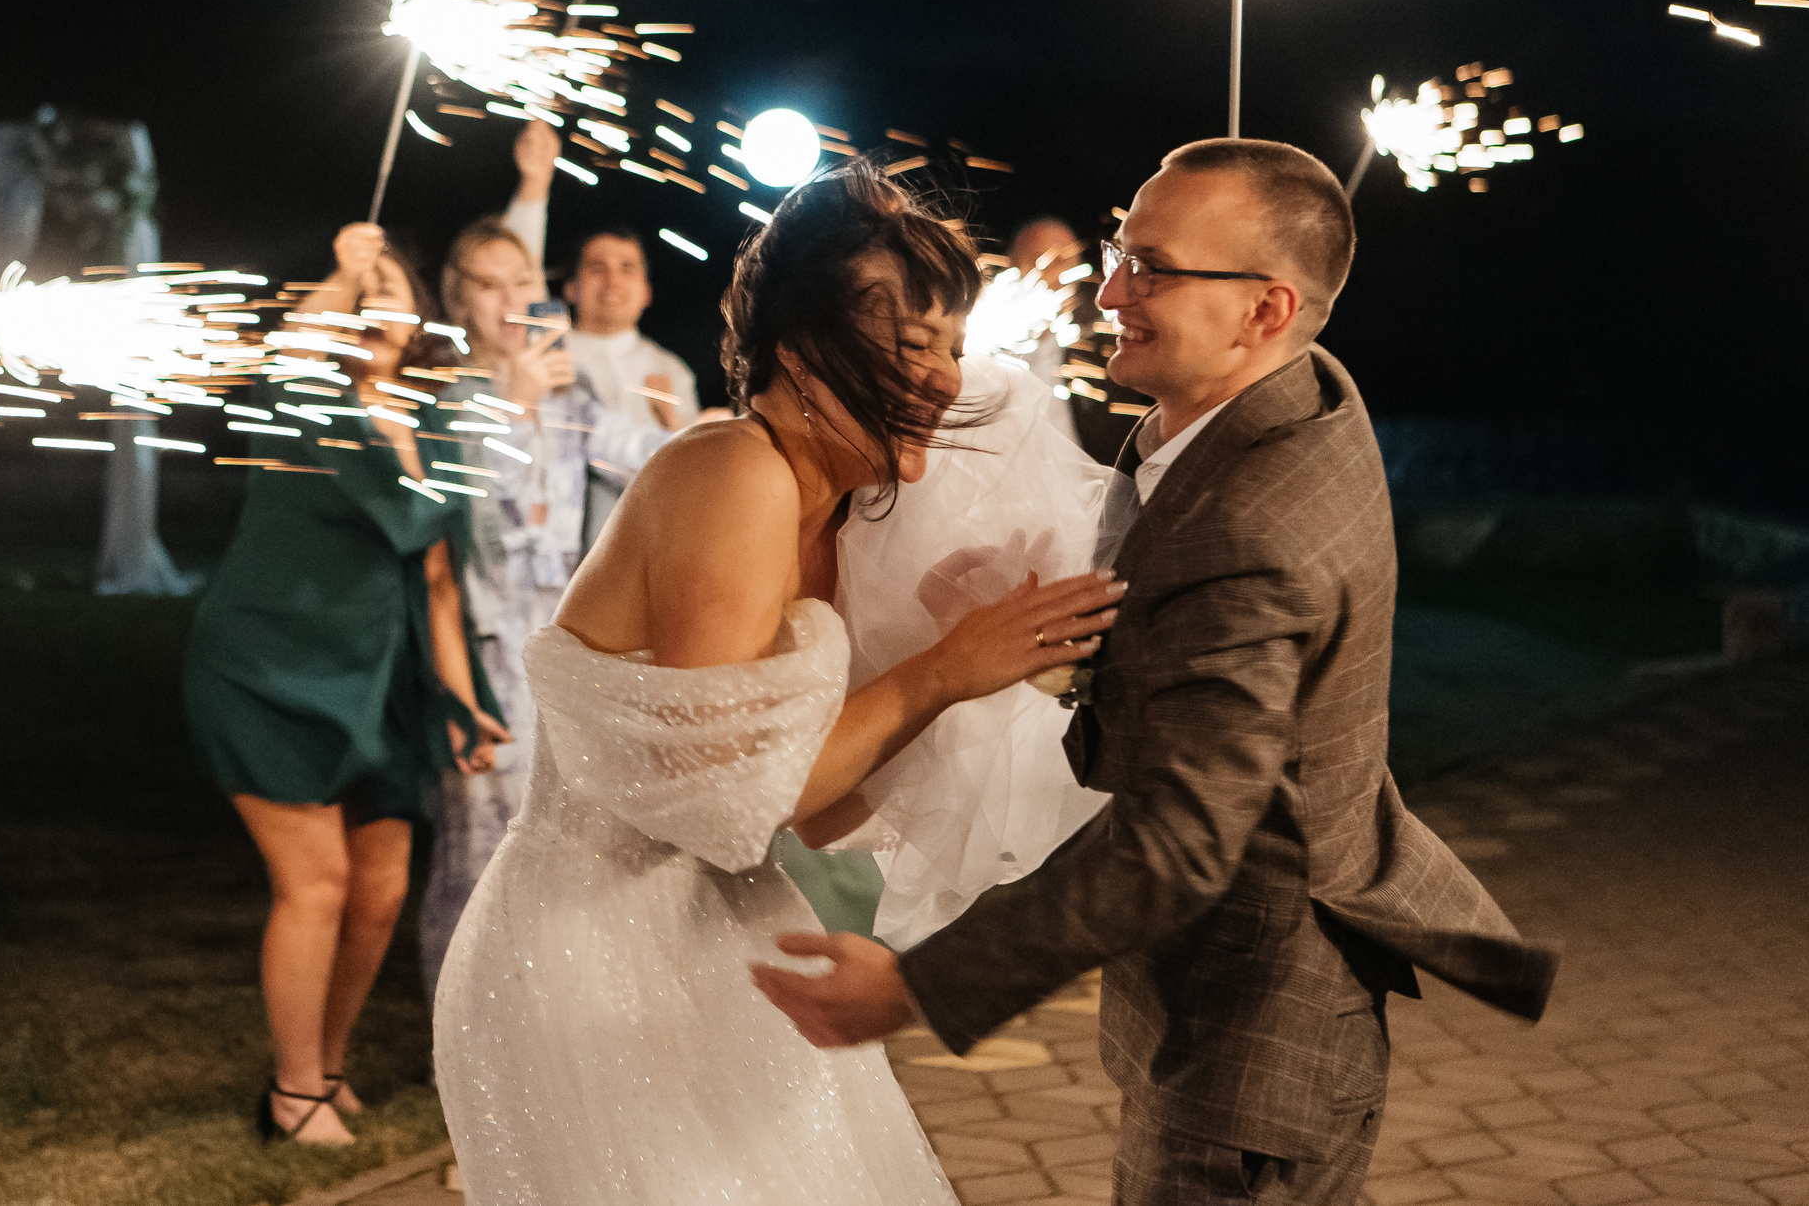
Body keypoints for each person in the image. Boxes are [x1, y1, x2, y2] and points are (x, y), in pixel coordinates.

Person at [756, 140, 1559, 1206]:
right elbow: (1211, 672)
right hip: (1228, 1006)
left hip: (1246, 1044)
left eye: (1154, 267)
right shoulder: (1277, 400)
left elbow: (1180, 838)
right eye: (1119, 248)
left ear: (1265, 309)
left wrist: (917, 981)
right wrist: (1061, 640)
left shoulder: (1252, 521)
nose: (1111, 288)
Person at [431, 163, 1125, 1205]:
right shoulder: (730, 471)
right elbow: (727, 803)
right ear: (801, 359)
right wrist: (939, 670)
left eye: (949, 347)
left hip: (728, 934)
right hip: (587, 955)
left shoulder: (842, 515)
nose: (944, 382)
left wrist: (958, 659)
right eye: (911, 349)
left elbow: (820, 808)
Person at [185, 221, 506, 1147]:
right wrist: (343, 265)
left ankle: (324, 1066)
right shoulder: (302, 401)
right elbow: (287, 348)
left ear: (419, 318)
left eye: (390, 294)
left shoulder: (440, 425)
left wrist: (465, 701)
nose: (373, 308)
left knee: (379, 891)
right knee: (317, 882)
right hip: (266, 665)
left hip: (379, 679)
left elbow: (438, 580)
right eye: (360, 299)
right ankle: (291, 1097)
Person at [415, 216, 671, 994]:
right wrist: (514, 410)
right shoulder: (447, 395)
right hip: (488, 651)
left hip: (566, 653)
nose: (509, 300)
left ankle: (541, 1021)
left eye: (522, 281)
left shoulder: (571, 392)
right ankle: (459, 1034)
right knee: (479, 849)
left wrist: (719, 437)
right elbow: (465, 525)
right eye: (488, 286)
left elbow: (649, 459)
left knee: (562, 844)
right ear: (461, 303)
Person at [499, 121, 700, 542]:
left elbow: (684, 474)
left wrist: (677, 425)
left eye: (627, 269)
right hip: (554, 543)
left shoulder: (669, 370)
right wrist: (535, 185)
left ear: (647, 292)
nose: (613, 281)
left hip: (645, 546)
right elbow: (516, 273)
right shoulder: (547, 350)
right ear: (569, 288)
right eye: (596, 267)